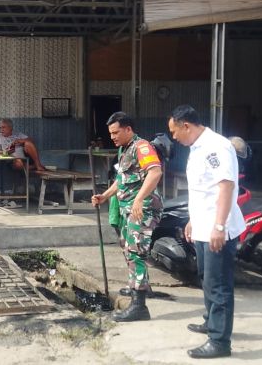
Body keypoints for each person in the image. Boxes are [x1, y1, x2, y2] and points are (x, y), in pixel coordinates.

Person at [168, 105, 244, 359]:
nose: (174, 137)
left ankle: (220, 341)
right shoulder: (197, 148)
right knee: (206, 278)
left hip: (216, 228)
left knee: (218, 284)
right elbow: (202, 190)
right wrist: (192, 220)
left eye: (175, 131)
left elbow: (225, 187)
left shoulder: (217, 146)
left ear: (186, 125)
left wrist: (219, 226)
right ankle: (211, 321)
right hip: (202, 226)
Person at [91, 112, 163, 322]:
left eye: (116, 132)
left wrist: (139, 199)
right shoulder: (125, 149)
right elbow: (122, 180)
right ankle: (138, 287)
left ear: (128, 129)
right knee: (128, 248)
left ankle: (139, 306)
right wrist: (104, 196)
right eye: (110, 133)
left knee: (135, 252)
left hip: (143, 209)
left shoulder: (142, 147)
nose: (112, 137)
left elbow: (155, 172)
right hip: (129, 208)